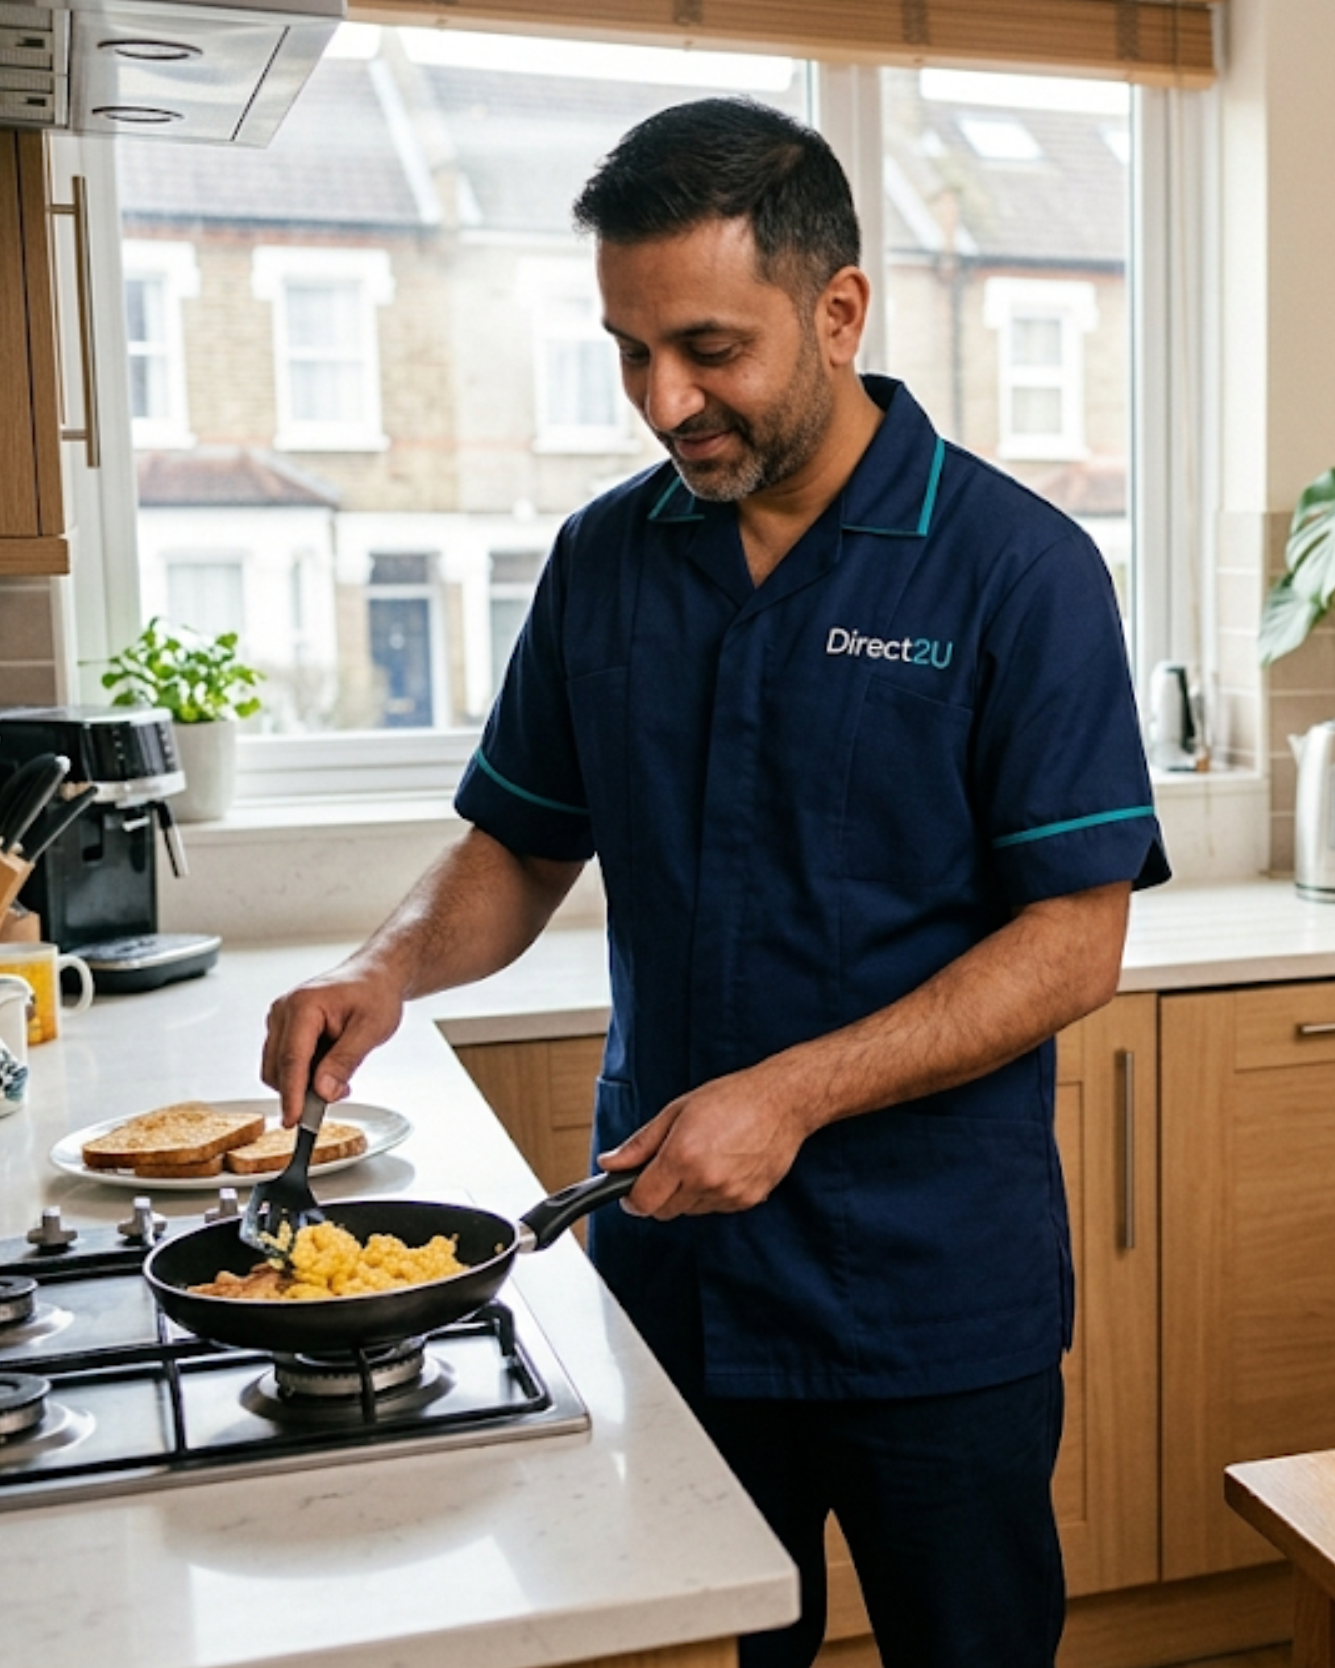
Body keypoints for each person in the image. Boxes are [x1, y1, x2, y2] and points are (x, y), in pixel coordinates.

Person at [261, 97, 1169, 1667]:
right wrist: (384, 968)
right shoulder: (607, 559)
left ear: (838, 311)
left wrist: (795, 1096)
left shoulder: (1018, 572)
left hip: (928, 1298)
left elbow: (1074, 942)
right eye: (629, 351)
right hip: (670, 1271)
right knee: (737, 1646)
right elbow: (521, 842)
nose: (664, 400)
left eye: (709, 348)